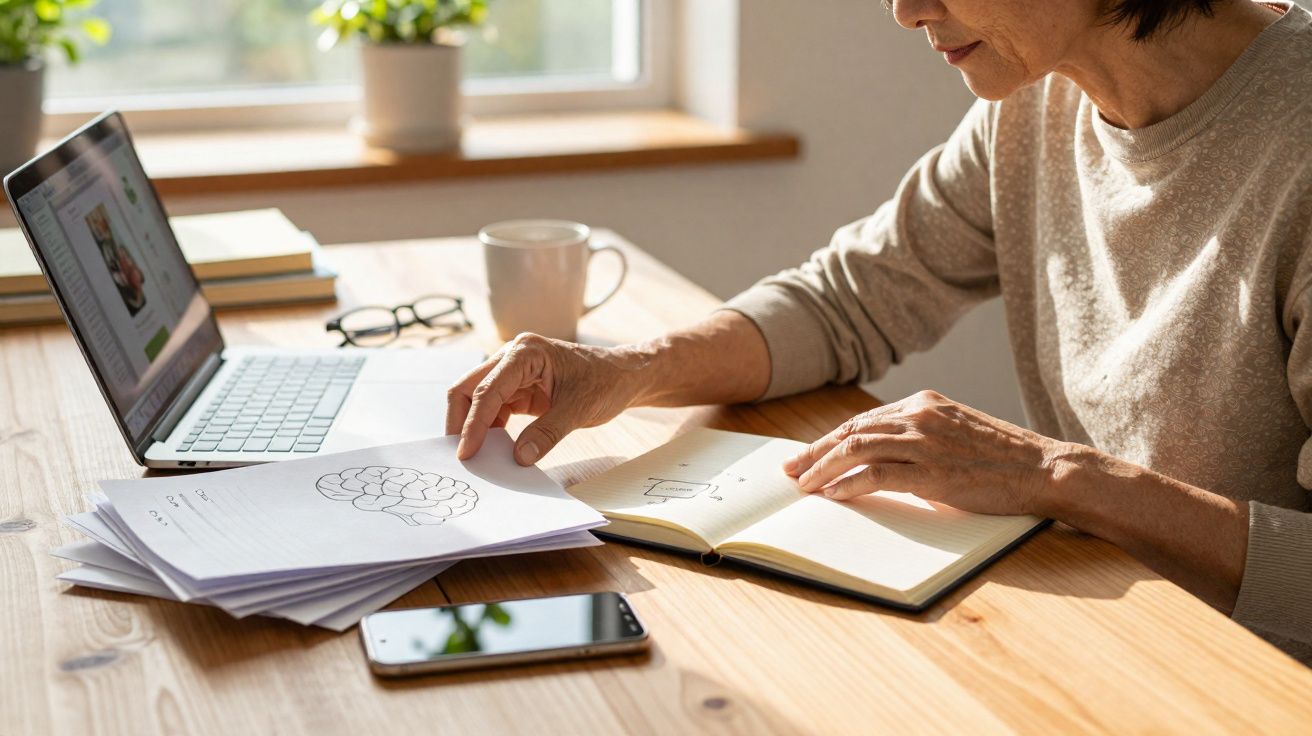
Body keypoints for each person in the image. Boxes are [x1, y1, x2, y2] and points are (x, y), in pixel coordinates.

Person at [447, 0, 1312, 663]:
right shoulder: (1038, 102)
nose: (904, 8)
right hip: (1118, 629)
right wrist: (626, 369)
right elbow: (849, 298)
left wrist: (1058, 475)